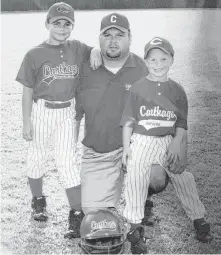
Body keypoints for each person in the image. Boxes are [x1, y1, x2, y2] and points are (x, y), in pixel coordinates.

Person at [74, 13, 170, 253]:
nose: (113, 41)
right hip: (98, 153)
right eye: (107, 35)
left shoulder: (143, 70)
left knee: (156, 177)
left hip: (133, 149)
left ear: (130, 38)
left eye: (120, 35)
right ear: (99, 39)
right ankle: (116, 193)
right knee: (98, 218)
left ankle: (140, 203)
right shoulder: (85, 67)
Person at [15, 2, 101, 239]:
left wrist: (94, 51)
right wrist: (26, 121)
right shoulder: (34, 54)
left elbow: (95, 50)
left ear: (72, 26)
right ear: (47, 24)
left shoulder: (76, 48)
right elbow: (27, 91)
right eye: (57, 23)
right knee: (36, 158)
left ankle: (76, 214)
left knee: (68, 163)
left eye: (67, 23)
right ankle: (38, 201)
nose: (62, 27)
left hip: (67, 113)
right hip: (42, 111)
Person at [120, 37, 213, 247]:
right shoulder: (137, 88)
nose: (158, 64)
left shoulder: (177, 90)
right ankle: (134, 230)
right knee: (136, 177)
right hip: (142, 140)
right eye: (153, 60)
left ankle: (199, 221)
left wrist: (178, 144)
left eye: (163, 59)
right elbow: (127, 121)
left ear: (171, 59)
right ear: (145, 61)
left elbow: (181, 122)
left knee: (183, 177)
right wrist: (126, 148)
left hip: (168, 140)